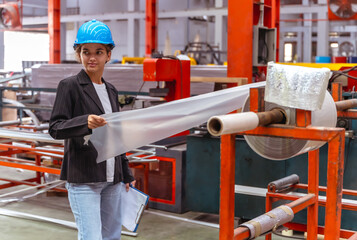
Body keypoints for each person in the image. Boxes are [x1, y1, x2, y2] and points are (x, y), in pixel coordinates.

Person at [49, 19, 136, 240]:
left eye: (99, 52)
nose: (92, 57)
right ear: (79, 54)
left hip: (112, 179)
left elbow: (117, 136)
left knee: (112, 237)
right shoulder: (69, 86)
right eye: (86, 51)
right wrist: (84, 122)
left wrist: (126, 173)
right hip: (84, 179)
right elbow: (55, 128)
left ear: (108, 55)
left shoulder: (111, 90)